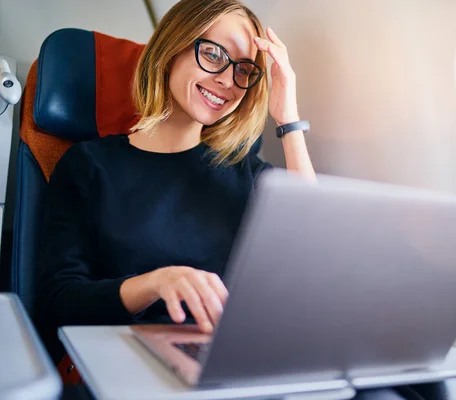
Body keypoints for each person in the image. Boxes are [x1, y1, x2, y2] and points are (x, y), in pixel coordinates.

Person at [34, 0, 413, 398]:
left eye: (244, 69)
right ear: (173, 46)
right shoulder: (90, 165)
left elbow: (318, 254)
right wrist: (156, 283)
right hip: (145, 362)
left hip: (251, 353)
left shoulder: (245, 170)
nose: (228, 80)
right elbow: (59, 300)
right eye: (214, 54)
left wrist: (288, 118)